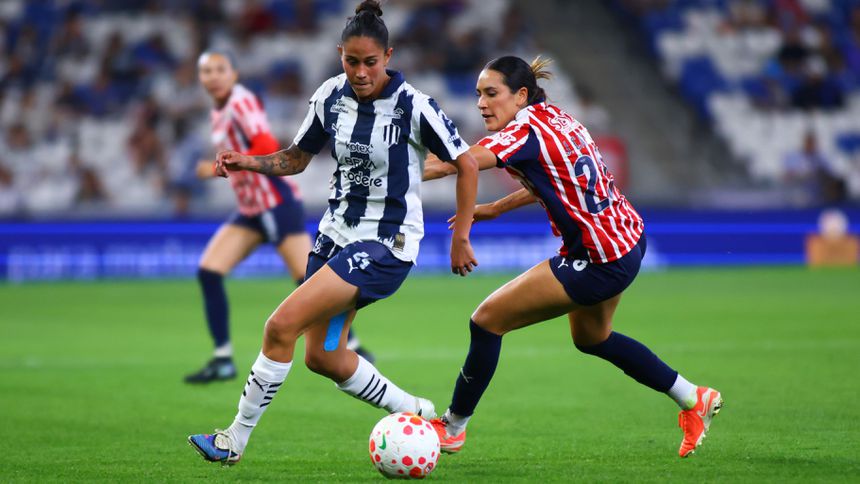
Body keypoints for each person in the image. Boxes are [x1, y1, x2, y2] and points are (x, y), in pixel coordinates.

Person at [188, 0, 479, 465]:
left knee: (279, 326)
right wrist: (250, 163)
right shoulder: (330, 96)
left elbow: (465, 162)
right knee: (323, 357)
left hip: (384, 245)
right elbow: (296, 158)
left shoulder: (414, 106)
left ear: (388, 56)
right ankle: (420, 413)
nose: (360, 72)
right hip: (335, 238)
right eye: (351, 61)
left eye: (370, 62)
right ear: (339, 54)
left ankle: (232, 440)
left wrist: (461, 235)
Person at [424, 56, 723, 459]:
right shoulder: (559, 119)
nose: (481, 103)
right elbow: (553, 177)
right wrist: (495, 208)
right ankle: (693, 398)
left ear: (521, 95)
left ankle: (453, 427)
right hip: (628, 240)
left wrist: (398, 173)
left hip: (598, 260)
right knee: (592, 338)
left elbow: (460, 164)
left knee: (486, 321)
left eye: (491, 93)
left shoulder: (524, 131)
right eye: (478, 94)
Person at [185, 49, 376, 384]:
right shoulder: (220, 111)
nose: (213, 77)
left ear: (234, 74)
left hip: (275, 204)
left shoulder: (241, 102)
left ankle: (353, 346)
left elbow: (264, 142)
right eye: (206, 71)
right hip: (250, 210)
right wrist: (213, 168)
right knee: (209, 272)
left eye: (220, 69)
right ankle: (222, 358)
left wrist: (240, 160)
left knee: (311, 281)